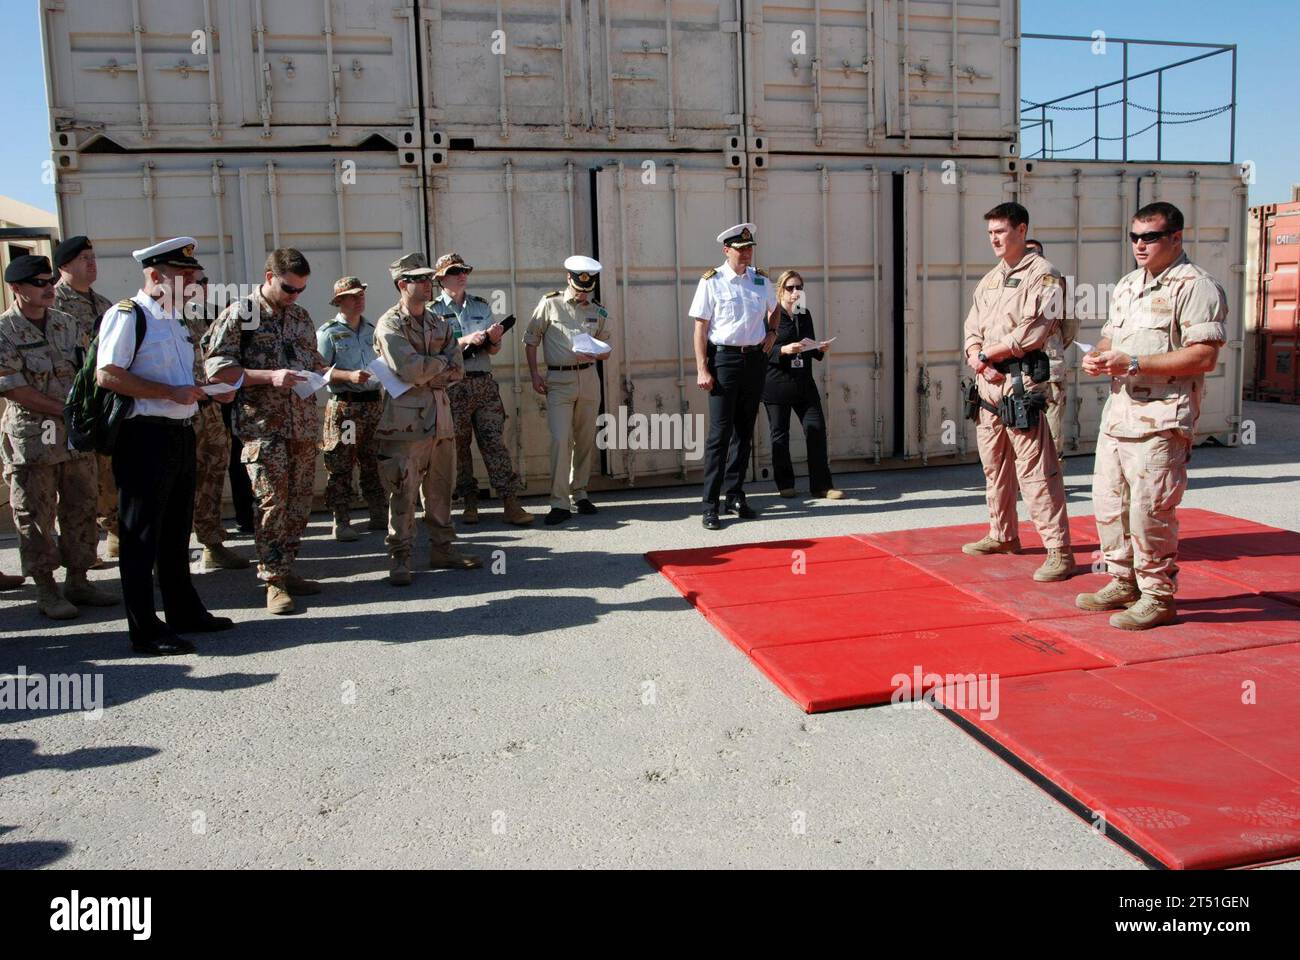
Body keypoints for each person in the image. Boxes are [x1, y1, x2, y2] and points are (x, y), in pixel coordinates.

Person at [1077, 202, 1227, 630]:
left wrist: (1135, 363)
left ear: (1176, 238)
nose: (1139, 245)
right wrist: (1101, 357)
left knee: (1150, 509)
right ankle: (1123, 580)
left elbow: (1203, 355)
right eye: (1134, 237)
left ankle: (1158, 595)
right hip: (1120, 415)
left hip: (1162, 419)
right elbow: (1110, 337)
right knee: (1110, 506)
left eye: (1150, 237)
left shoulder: (1196, 286)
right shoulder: (1127, 285)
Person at [96, 238, 233, 654]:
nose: (192, 284)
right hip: (143, 437)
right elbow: (108, 374)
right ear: (155, 275)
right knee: (140, 537)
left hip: (179, 433)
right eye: (184, 277)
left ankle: (183, 610)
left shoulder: (173, 319)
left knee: (176, 531)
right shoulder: (128, 315)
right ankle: (144, 628)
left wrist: (205, 391)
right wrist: (168, 393)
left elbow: (178, 382)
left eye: (193, 277)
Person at [205, 248, 342, 615]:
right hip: (263, 429)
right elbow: (217, 369)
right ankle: (273, 581)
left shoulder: (300, 316)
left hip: (301, 425)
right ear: (269, 278)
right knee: (271, 504)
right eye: (288, 288)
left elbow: (312, 359)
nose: (294, 295)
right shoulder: (242, 314)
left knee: (299, 503)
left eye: (301, 289)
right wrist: (269, 377)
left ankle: (288, 567)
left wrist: (326, 372)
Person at [0, 255, 117, 619]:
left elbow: (88, 371)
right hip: (33, 440)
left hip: (73, 437)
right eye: (38, 282)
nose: (48, 287)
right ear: (16, 289)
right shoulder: (5, 330)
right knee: (35, 514)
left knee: (81, 506)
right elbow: (15, 389)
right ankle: (46, 589)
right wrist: (68, 409)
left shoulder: (67, 324)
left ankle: (79, 580)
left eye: (50, 280)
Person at [961, 202, 1073, 582]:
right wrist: (976, 356)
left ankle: (1058, 550)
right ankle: (1002, 533)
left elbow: (1035, 332)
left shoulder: (1047, 277)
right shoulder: (990, 279)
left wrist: (986, 355)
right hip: (988, 384)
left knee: (1036, 470)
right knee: (994, 466)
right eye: (990, 232)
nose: (994, 238)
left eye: (1001, 231)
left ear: (1021, 230)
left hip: (1020, 382)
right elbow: (972, 325)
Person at [373, 252, 482, 585]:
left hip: (440, 416)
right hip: (405, 423)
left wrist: (427, 369)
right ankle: (400, 557)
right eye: (420, 279)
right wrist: (435, 366)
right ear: (402, 284)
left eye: (428, 278)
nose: (428, 283)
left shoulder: (439, 322)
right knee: (404, 490)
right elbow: (408, 369)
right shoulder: (390, 323)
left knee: (440, 488)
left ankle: (443, 548)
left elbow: (458, 370)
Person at [433, 252, 533, 526]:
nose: (462, 275)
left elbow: (493, 350)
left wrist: (494, 339)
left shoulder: (480, 305)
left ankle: (510, 501)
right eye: (455, 271)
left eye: (465, 270)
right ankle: (469, 501)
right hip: (453, 385)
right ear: (442, 279)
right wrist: (464, 338)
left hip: (483, 382)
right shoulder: (433, 312)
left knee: (494, 442)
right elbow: (432, 348)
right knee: (459, 446)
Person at [689, 223, 779, 530]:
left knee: (744, 432)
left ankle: (735, 495)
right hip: (724, 359)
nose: (746, 253)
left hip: (754, 360)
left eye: (749, 248)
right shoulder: (712, 281)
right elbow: (701, 327)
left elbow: (775, 308)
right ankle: (710, 504)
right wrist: (703, 367)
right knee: (719, 435)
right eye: (741, 249)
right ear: (727, 250)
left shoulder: (760, 279)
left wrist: (772, 331)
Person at [524, 256, 613, 526]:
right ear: (568, 280)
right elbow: (530, 340)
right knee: (561, 440)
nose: (583, 293)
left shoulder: (598, 310)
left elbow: (607, 348)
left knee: (586, 439)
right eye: (579, 287)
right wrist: (534, 374)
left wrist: (597, 353)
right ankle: (559, 502)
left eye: (587, 289)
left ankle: (580, 492)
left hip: (588, 379)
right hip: (558, 382)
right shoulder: (550, 304)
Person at [52, 235, 118, 564]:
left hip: (101, 406)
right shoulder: (52, 304)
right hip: (68, 407)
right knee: (77, 487)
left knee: (107, 475)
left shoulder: (103, 305)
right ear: (64, 265)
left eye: (93, 257)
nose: (91, 263)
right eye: (83, 258)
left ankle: (115, 535)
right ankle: (81, 557)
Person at [186, 272, 250, 571]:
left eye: (204, 280)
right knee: (177, 484)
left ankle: (212, 543)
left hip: (208, 409)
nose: (202, 286)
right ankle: (168, 556)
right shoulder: (157, 319)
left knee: (212, 475)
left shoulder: (208, 316)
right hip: (174, 413)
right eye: (193, 280)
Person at [316, 276, 385, 541]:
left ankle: (378, 513)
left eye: (362, 295)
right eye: (354, 295)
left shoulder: (372, 330)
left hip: (372, 406)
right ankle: (341, 519)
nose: (360, 299)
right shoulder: (329, 332)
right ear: (340, 301)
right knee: (342, 464)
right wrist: (348, 376)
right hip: (346, 408)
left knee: (374, 461)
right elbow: (318, 370)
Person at [763, 270, 842, 501]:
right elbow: (761, 350)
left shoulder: (804, 314)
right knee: (780, 435)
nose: (796, 292)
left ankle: (822, 486)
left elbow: (810, 347)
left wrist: (819, 348)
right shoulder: (769, 314)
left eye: (799, 287)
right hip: (776, 384)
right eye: (790, 288)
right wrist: (784, 350)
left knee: (816, 430)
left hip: (803, 383)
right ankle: (785, 484)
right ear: (780, 290)